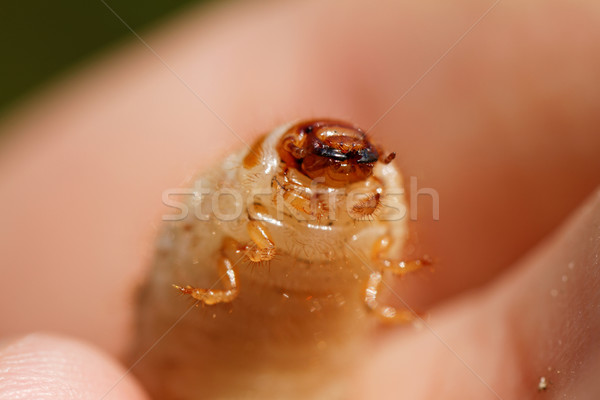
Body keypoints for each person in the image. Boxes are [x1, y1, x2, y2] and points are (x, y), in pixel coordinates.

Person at [0, 0, 599, 398]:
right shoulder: (250, 193)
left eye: (354, 171)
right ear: (275, 169)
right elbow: (199, 232)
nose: (334, 180)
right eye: (314, 165)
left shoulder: (368, 209)